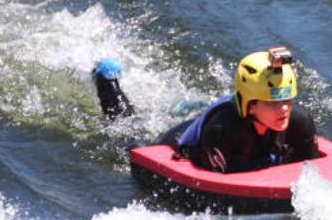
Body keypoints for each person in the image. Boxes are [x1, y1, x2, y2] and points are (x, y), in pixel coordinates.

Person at [94, 47, 319, 173]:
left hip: (224, 132)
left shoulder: (299, 122)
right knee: (130, 137)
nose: (284, 110)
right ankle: (107, 81)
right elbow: (226, 183)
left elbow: (315, 170)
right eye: (272, 102)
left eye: (288, 100)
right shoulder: (225, 131)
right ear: (251, 105)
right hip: (180, 144)